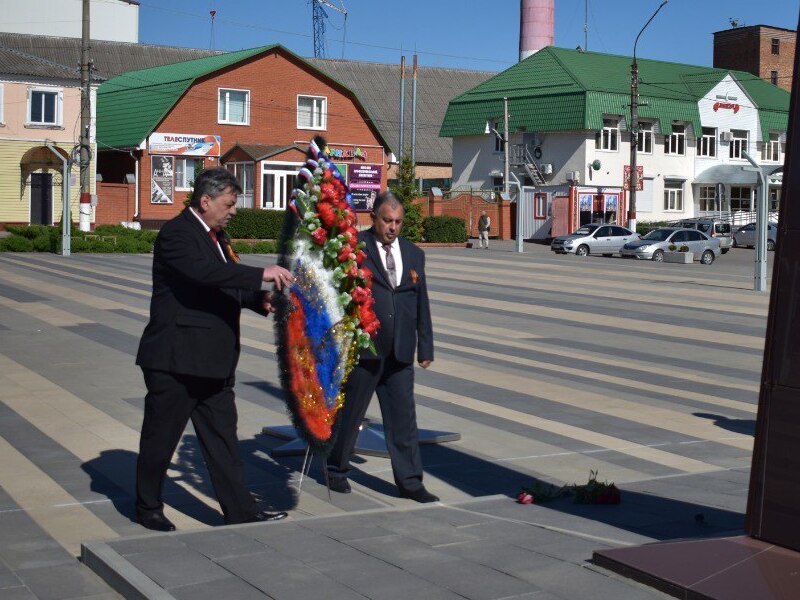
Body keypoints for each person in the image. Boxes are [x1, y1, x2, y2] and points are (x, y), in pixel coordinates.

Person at [134, 167, 294, 531]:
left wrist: (259, 300)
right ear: (205, 201)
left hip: (213, 363)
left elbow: (223, 282)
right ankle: (148, 508)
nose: (234, 210)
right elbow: (205, 274)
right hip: (176, 361)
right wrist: (261, 274)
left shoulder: (217, 237)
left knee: (223, 441)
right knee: (161, 440)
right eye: (229, 203)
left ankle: (241, 512)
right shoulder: (178, 234)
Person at [326, 191, 438, 503]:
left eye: (398, 222)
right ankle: (336, 469)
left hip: (400, 351)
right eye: (387, 220)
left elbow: (420, 301)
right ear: (374, 217)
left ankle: (411, 483)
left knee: (404, 419)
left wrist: (425, 346)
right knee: (350, 414)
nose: (392, 227)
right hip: (365, 349)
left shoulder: (414, 254)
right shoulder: (354, 247)